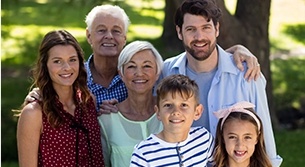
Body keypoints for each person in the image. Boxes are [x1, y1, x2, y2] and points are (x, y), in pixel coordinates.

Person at [25, 4, 261, 113]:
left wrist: (236, 49)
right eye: (101, 30)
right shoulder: (75, 77)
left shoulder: (142, 77)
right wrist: (38, 94)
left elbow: (200, 53)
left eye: (116, 30)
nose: (109, 36)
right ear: (88, 36)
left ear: (125, 37)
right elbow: (54, 82)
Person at [159, 0, 284, 167]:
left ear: (217, 29)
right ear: (179, 32)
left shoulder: (246, 74)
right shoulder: (167, 71)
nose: (199, 36)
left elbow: (263, 125)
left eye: (206, 28)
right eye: (190, 29)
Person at [15, 30, 110, 167]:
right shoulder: (34, 113)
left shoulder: (88, 102)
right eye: (57, 61)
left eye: (72, 60)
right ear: (45, 65)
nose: (67, 67)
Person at [124, 74, 214, 167]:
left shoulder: (204, 138)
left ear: (197, 112)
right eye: (168, 105)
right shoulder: (144, 152)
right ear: (158, 112)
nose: (176, 111)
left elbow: (224, 166)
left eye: (184, 105)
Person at [99, 40, 164, 167]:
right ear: (121, 74)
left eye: (147, 66)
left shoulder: (170, 115)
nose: (139, 73)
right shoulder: (107, 120)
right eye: (131, 66)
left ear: (157, 72)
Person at [207, 101, 275, 167]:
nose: (240, 145)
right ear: (223, 137)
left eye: (247, 137)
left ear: (257, 138)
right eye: (232, 137)